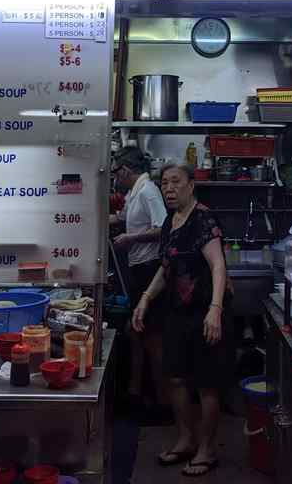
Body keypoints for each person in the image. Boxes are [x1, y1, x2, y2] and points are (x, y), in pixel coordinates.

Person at [133, 161, 232, 478]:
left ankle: (206, 449)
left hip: (205, 313)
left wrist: (215, 309)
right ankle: (186, 439)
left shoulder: (202, 218)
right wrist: (145, 299)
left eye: (176, 182)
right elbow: (166, 268)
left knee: (207, 383)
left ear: (191, 185)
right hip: (176, 312)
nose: (169, 188)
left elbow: (217, 265)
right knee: (174, 377)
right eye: (164, 183)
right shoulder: (169, 223)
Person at [110, 147, 168, 413]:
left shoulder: (148, 191)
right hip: (138, 269)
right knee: (136, 332)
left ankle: (162, 402)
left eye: (115, 174)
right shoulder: (135, 193)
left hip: (150, 269)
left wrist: (131, 239)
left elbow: (163, 227)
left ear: (125, 170)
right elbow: (123, 218)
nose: (115, 180)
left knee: (152, 337)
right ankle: (136, 393)